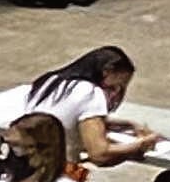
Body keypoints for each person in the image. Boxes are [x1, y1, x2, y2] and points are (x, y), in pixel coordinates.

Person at [22, 45, 160, 172]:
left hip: (25, 164)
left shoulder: (52, 81)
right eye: (115, 87)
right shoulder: (91, 93)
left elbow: (66, 119)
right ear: (107, 72)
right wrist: (141, 145)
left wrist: (128, 124)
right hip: (54, 175)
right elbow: (99, 154)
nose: (116, 94)